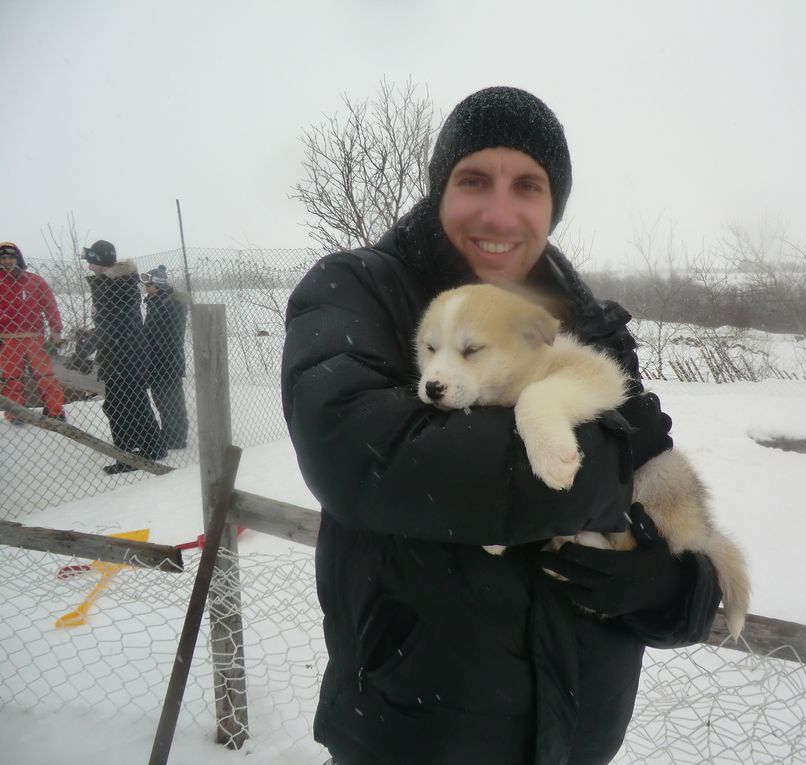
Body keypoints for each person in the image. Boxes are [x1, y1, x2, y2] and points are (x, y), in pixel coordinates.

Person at [282, 87, 722, 765]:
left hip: (576, 744)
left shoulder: (587, 326)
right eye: (473, 180)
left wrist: (670, 588)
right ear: (439, 191)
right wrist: (609, 455)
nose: (499, 211)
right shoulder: (360, 289)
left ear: (553, 206)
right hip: (414, 739)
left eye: (528, 186)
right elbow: (368, 456)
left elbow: (663, 495)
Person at [82, 240, 166, 473]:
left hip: (122, 356)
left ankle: (127, 456)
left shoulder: (114, 286)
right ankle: (152, 447)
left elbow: (109, 326)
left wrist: (84, 351)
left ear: (100, 262)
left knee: (119, 406)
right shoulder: (116, 284)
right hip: (126, 355)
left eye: (91, 262)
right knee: (134, 403)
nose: (89, 267)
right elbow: (109, 323)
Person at [0, 241, 66, 424]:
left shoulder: (34, 280)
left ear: (18, 259)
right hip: (6, 339)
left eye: (11, 257)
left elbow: (50, 306)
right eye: (3, 258)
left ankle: (55, 411)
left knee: (46, 376)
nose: (6, 261)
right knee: (11, 379)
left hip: (35, 338)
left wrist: (56, 331)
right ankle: (16, 414)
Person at [141, 265, 189, 449]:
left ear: (158, 285)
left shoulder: (169, 304)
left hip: (166, 360)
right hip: (162, 360)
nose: (146, 290)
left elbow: (154, 333)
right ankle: (171, 434)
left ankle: (175, 437)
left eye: (149, 286)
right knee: (164, 400)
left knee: (170, 400)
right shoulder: (159, 303)